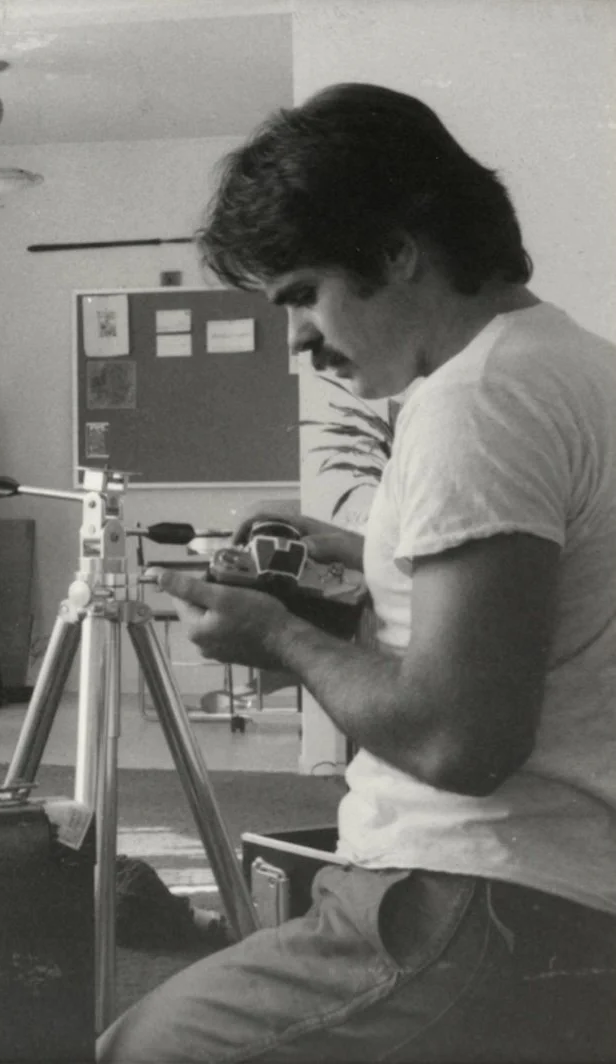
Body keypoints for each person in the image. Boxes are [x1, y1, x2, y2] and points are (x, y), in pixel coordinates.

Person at [99, 82, 616, 1062]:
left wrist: (278, 636)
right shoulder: (576, 364)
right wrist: (357, 554)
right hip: (562, 885)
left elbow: (461, 734)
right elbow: (540, 617)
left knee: (143, 1047)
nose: (296, 338)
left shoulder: (480, 401)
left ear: (395, 250)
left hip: (472, 897)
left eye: (301, 294)